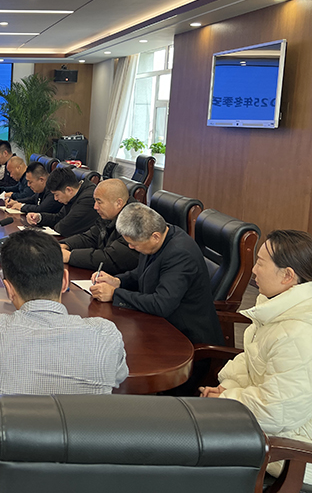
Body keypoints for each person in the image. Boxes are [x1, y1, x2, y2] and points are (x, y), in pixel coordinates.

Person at [0, 228, 128, 412]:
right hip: (85, 436)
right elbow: (119, 376)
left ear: (9, 289)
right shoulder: (106, 334)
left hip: (12, 436)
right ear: (65, 280)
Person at [200, 230, 312, 486]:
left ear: (287, 276)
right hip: (270, 428)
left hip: (293, 452)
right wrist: (226, 389)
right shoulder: (279, 309)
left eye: (260, 263)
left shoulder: (298, 333)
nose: (253, 270)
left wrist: (226, 400)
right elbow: (251, 362)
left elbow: (276, 412)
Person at [89, 203, 224, 346]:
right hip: (159, 324)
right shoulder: (158, 237)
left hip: (185, 337)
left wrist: (115, 294)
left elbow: (161, 304)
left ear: (155, 236)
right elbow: (143, 273)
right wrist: (117, 281)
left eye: (134, 244)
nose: (130, 247)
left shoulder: (180, 254)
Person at [60, 179, 140, 275]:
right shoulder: (110, 216)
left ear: (118, 203)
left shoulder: (135, 222)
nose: (95, 207)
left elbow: (110, 259)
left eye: (99, 202)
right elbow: (89, 237)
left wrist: (70, 256)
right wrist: (65, 245)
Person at [26, 167, 98, 237]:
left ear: (69, 190)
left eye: (56, 195)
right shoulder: (73, 194)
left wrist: (57, 225)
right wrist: (39, 217)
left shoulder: (88, 198)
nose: (55, 199)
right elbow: (59, 217)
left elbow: (64, 228)